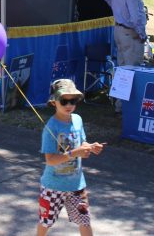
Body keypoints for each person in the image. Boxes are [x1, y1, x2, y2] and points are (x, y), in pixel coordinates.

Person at [37, 79, 104, 236]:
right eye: (64, 101)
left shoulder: (77, 120)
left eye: (73, 101)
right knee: (45, 222)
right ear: (54, 101)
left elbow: (81, 142)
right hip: (52, 186)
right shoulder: (50, 128)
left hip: (76, 186)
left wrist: (90, 146)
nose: (69, 105)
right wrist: (75, 153)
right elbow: (50, 160)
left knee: (85, 221)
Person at [104, 0, 147, 66]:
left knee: (122, 65)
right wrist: (141, 34)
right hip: (131, 33)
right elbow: (135, 17)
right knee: (133, 67)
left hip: (119, 31)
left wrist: (118, 10)